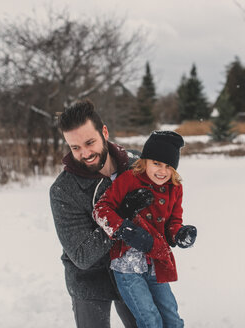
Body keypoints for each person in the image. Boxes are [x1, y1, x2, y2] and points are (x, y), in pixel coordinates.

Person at [50, 99, 150, 327]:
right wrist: (120, 217)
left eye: (89, 142)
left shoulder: (137, 165)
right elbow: (82, 256)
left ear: (104, 132)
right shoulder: (63, 190)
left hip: (133, 269)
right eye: (75, 147)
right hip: (90, 280)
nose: (84, 153)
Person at [93, 130, 198, 328]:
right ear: (145, 161)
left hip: (156, 260)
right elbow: (101, 210)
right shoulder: (129, 180)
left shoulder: (174, 188)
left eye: (168, 166)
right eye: (156, 163)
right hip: (127, 264)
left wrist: (179, 234)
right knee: (150, 320)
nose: (162, 171)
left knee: (172, 318)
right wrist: (124, 230)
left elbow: (173, 222)